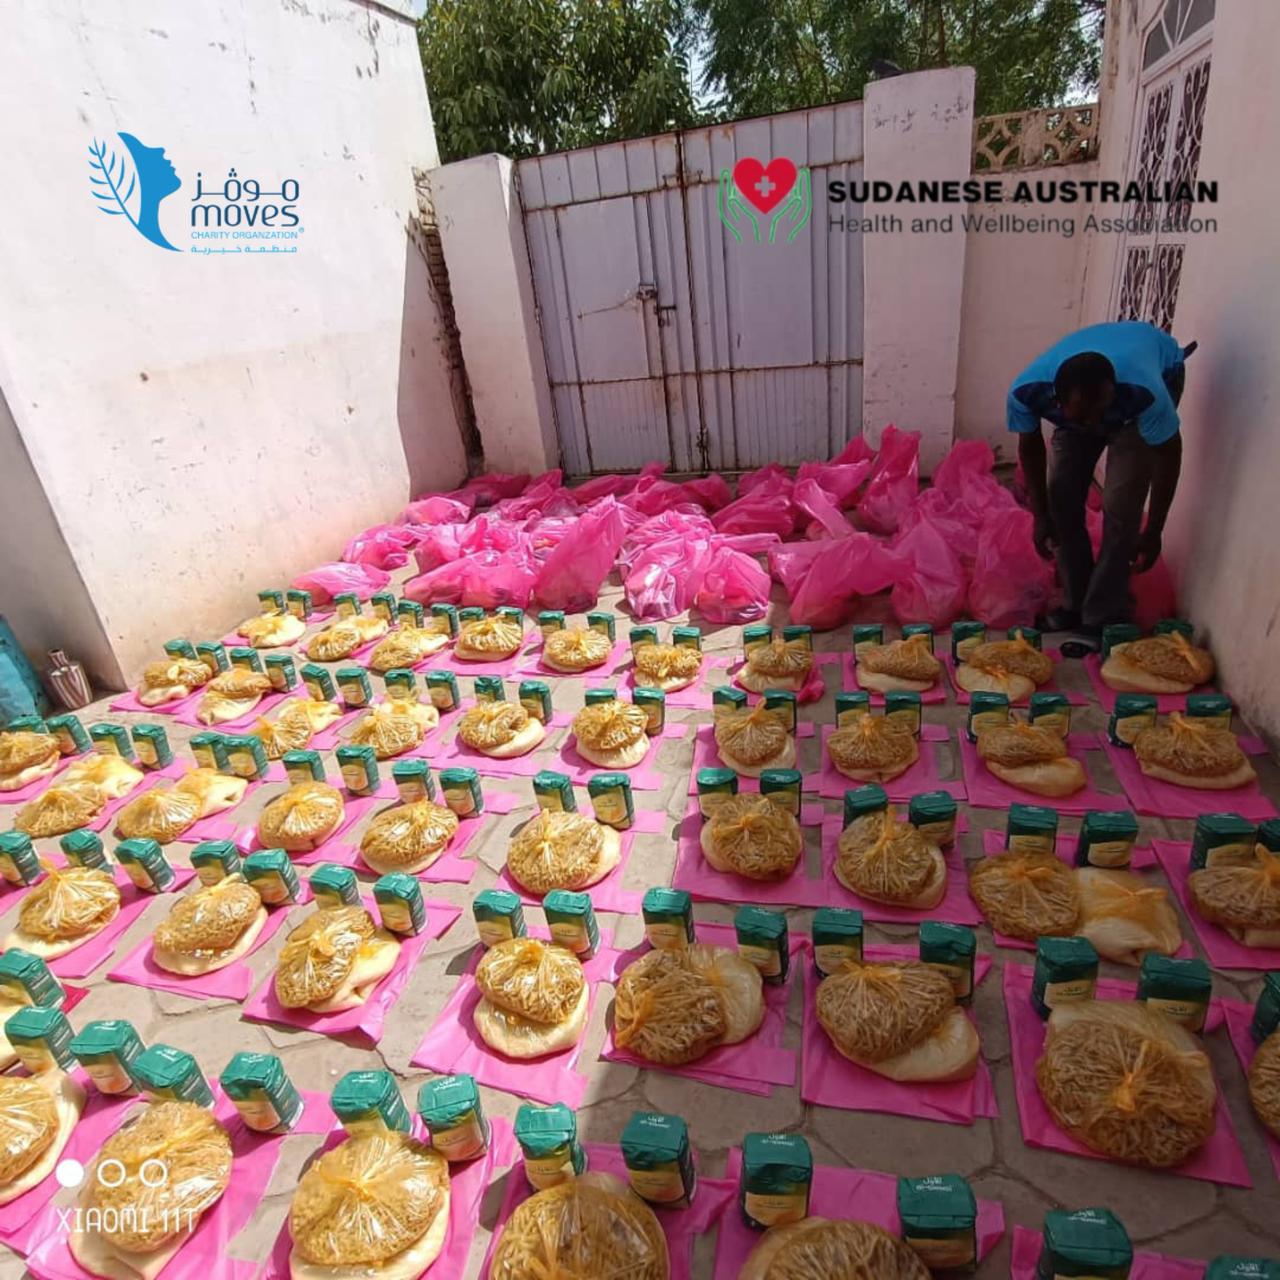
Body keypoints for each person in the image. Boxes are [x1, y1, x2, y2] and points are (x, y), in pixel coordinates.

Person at [1007, 320, 1191, 636]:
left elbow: (1168, 454)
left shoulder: (1146, 394)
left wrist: (1154, 530)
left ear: (1112, 393)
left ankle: (1102, 614)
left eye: (1101, 414)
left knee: (1121, 504)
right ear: (1057, 402)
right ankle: (1074, 603)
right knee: (1061, 497)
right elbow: (1031, 448)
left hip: (1148, 383)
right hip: (1093, 397)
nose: (1095, 425)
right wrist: (1040, 516)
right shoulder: (1026, 392)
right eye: (1084, 418)